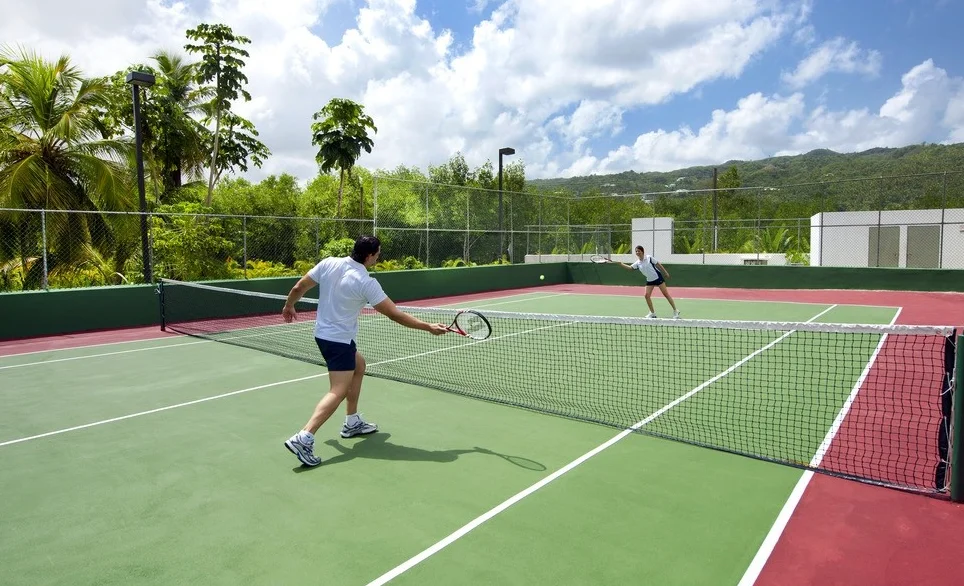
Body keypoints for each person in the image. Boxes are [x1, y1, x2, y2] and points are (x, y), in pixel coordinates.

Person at [281, 235, 448, 467]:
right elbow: (394, 314)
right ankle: (305, 436)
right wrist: (427, 327)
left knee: (359, 365)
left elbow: (299, 286)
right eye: (378, 254)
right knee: (337, 390)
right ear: (369, 255)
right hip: (338, 341)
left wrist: (289, 305)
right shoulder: (366, 282)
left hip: (323, 334)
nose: (379, 257)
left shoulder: (328, 262)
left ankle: (352, 422)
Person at [616, 245, 680, 319]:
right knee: (646, 296)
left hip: (658, 277)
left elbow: (658, 264)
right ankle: (652, 313)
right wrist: (621, 264)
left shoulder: (649, 258)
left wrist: (665, 272)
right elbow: (630, 268)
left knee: (665, 294)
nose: (637, 252)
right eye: (636, 251)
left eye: (639, 251)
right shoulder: (637, 263)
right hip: (650, 280)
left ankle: (676, 311)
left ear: (642, 251)